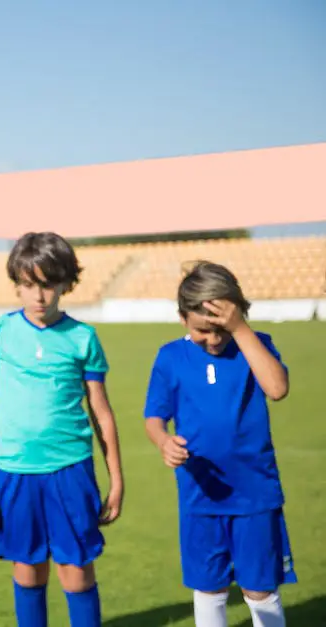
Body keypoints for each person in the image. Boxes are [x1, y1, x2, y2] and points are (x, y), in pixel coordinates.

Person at [0, 232, 124, 627]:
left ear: (65, 284)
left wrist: (117, 478)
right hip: (16, 470)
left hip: (70, 468)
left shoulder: (82, 337)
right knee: (28, 570)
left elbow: (101, 412)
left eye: (48, 284)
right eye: (29, 285)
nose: (39, 296)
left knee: (76, 572)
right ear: (17, 284)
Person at [143, 260, 295, 627]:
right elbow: (154, 417)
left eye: (220, 330)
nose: (213, 340)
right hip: (200, 495)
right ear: (182, 318)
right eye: (202, 330)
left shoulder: (255, 345)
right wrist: (163, 441)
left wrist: (239, 328)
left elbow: (277, 389)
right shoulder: (170, 357)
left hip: (255, 493)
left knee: (259, 588)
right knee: (209, 588)